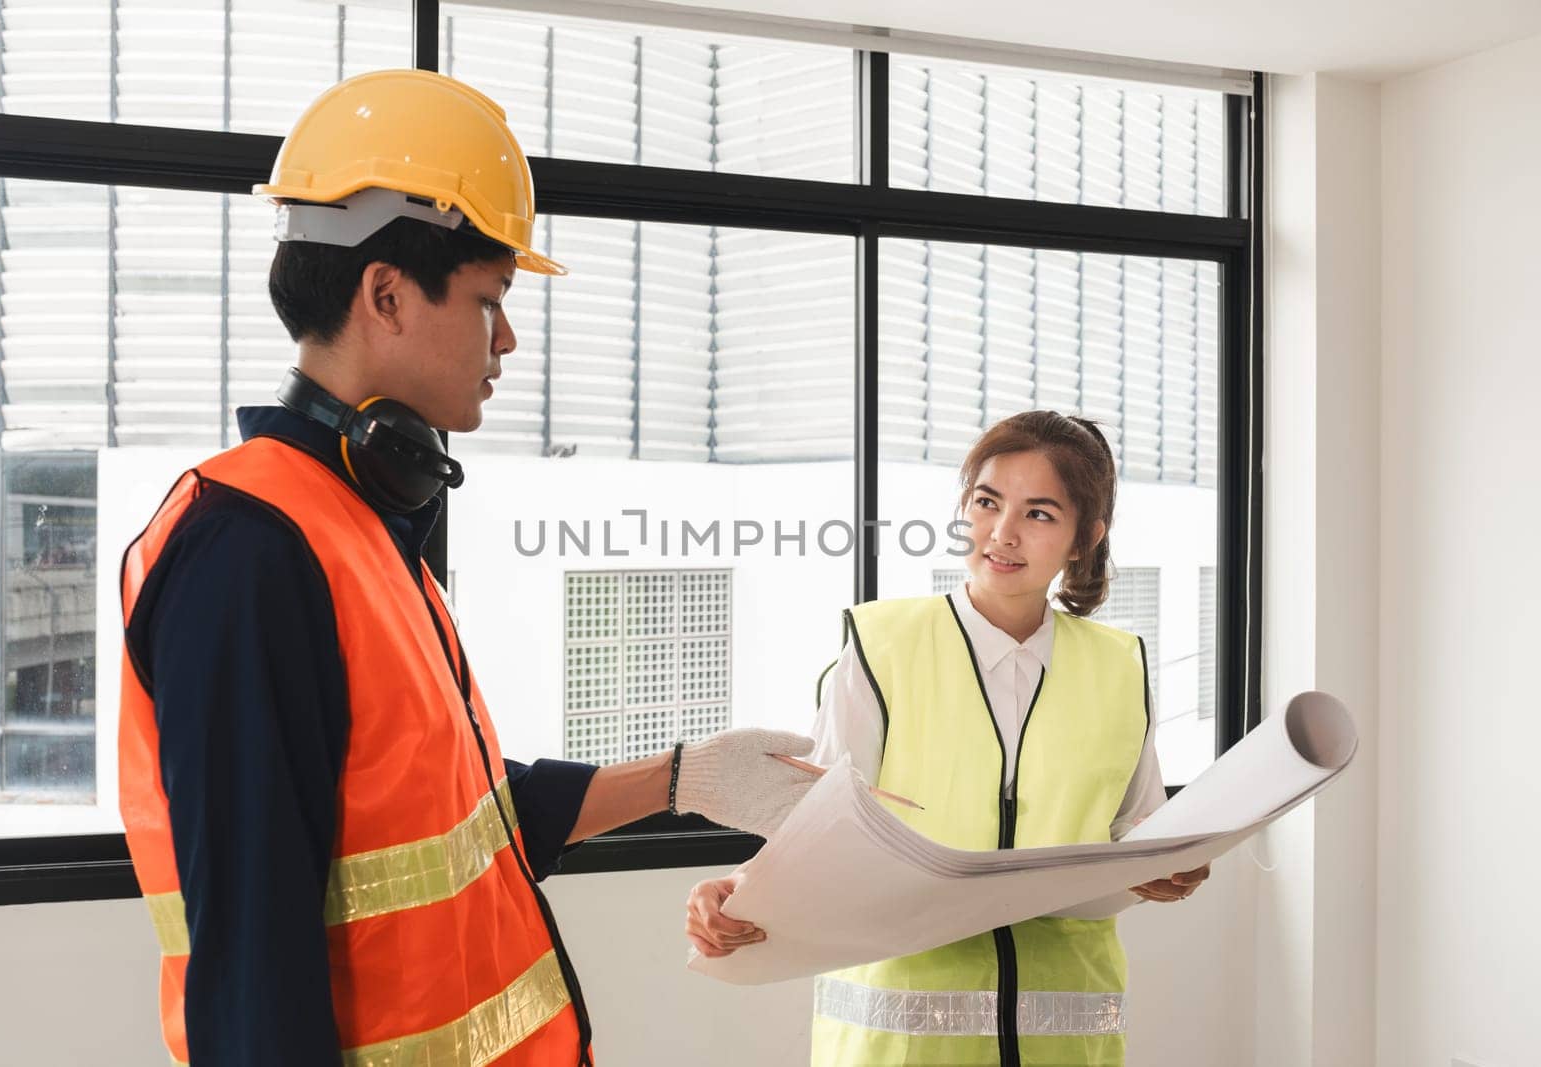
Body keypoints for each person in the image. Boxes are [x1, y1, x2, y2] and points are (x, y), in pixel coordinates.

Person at [116, 69, 817, 1067]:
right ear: (387, 293)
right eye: (490, 299)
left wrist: (683, 776)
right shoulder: (250, 550)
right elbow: (251, 970)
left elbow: (461, 818)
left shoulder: (351, 523)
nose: (508, 337)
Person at [686, 410, 1210, 1066]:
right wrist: (736, 889)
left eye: (1039, 513)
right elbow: (811, 829)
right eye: (987, 501)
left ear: (1085, 537)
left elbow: (1140, 827)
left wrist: (1174, 863)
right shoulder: (883, 647)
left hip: (1070, 1044)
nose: (1002, 532)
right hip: (898, 1047)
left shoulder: (1120, 665)